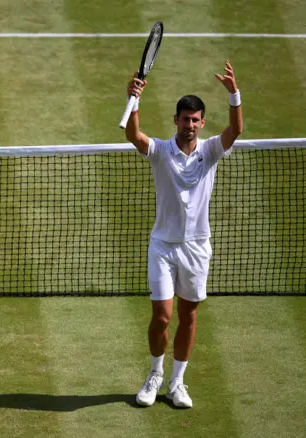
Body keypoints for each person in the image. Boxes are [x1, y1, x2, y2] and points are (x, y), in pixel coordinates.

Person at [125, 60, 243, 408]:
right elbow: (134, 135)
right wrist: (134, 100)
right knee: (162, 316)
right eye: (184, 119)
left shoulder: (210, 151)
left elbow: (235, 130)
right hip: (162, 245)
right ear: (175, 120)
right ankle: (155, 374)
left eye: (195, 120)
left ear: (202, 123)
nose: (190, 124)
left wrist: (234, 94)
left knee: (188, 315)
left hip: (196, 247)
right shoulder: (161, 151)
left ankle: (177, 382)